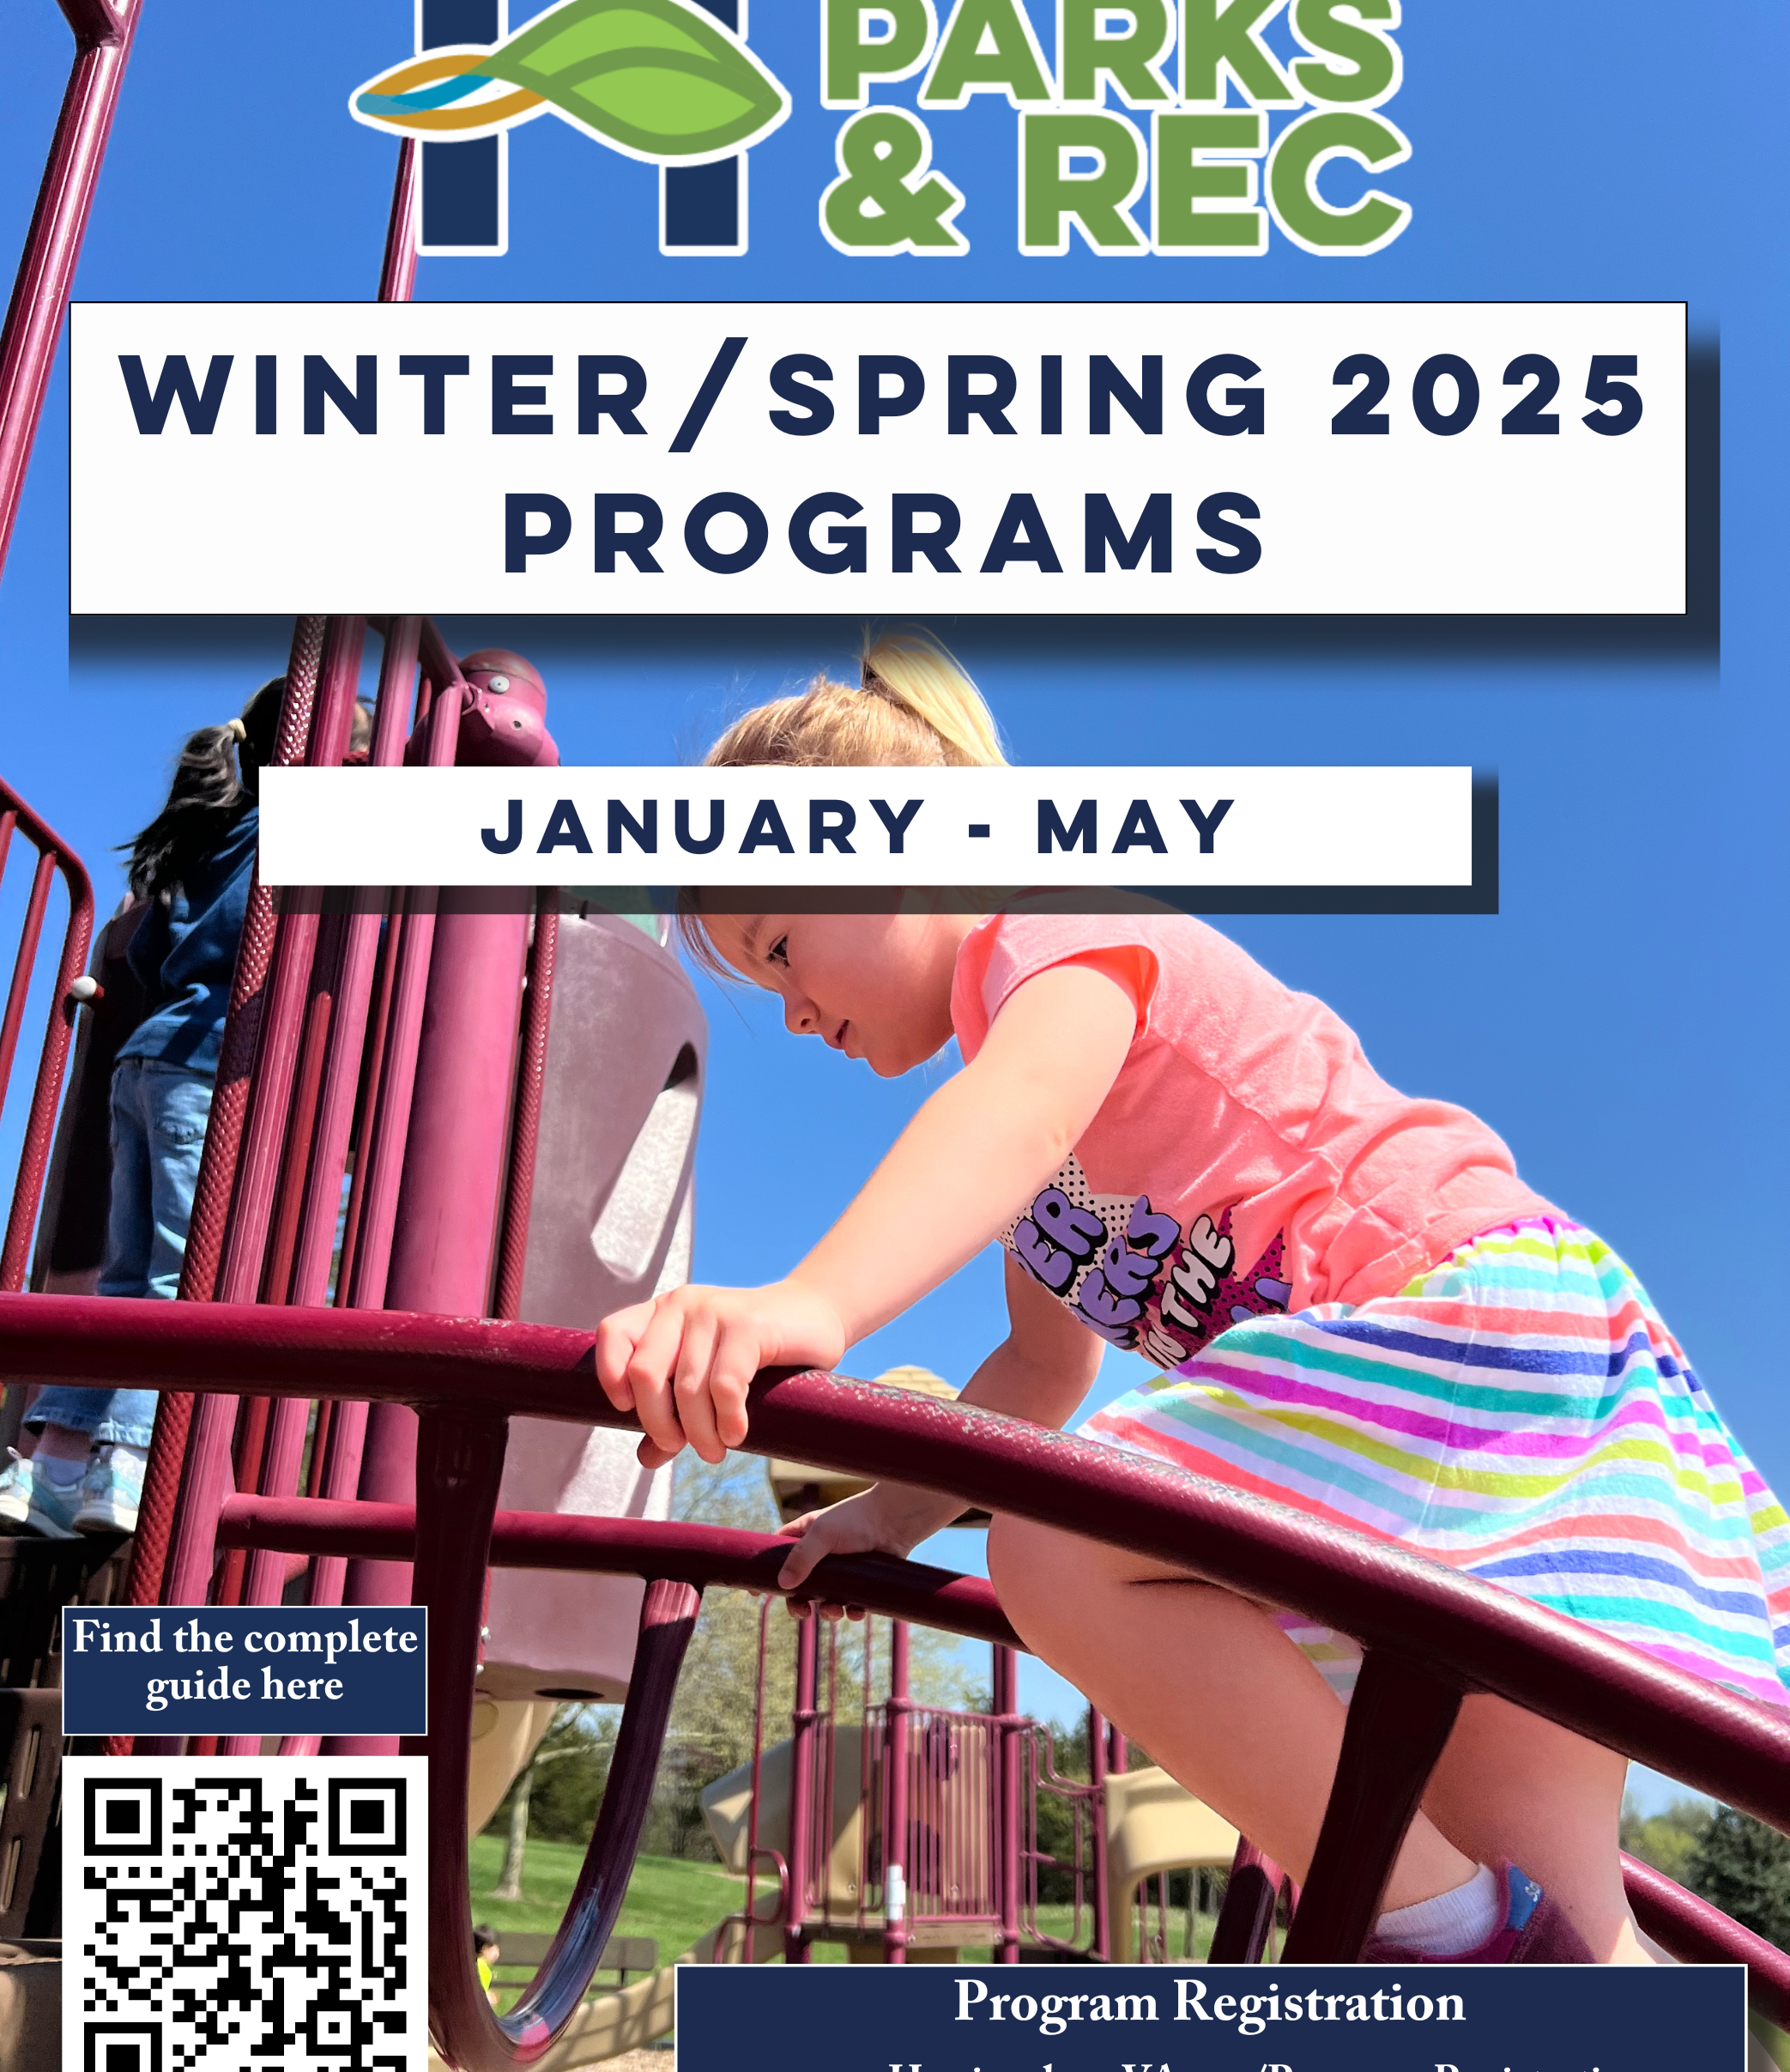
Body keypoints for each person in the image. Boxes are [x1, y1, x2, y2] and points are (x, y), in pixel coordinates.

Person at [595, 632, 1790, 1988]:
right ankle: (1530, 1985)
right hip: (1486, 1408)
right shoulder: (1052, 1176)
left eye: (782, 945)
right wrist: (888, 1512)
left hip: (1460, 1321)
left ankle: (1437, 1948)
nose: (796, 1014)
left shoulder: (1049, 920)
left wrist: (809, 1300)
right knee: (1583, 1945)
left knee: (1057, 1534)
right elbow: (1042, 1373)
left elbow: (1014, 1107)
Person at [0, 678, 293, 1541]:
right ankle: (123, 1464)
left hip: (142, 1060)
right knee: (177, 1268)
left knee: (124, 1279)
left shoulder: (211, 833)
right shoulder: (291, 834)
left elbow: (150, 948)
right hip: (204, 1059)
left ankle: (45, 1469)